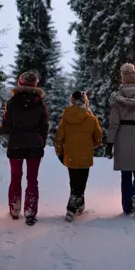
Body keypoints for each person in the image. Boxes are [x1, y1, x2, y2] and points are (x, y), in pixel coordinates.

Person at [0, 71, 49, 226]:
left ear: (20, 83)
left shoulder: (13, 102)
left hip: (16, 145)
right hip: (34, 145)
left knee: (16, 177)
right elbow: (44, 126)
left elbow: (7, 126)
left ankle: (14, 210)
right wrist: (41, 142)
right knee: (32, 179)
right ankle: (30, 212)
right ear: (35, 84)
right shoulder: (39, 102)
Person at [106, 63, 135, 219]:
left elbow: (113, 123)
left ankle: (127, 205)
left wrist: (109, 143)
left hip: (123, 136)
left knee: (126, 173)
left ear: (123, 78)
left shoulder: (116, 98)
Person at [54, 90, 102, 222]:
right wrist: (88, 145)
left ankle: (79, 204)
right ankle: (72, 207)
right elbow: (98, 139)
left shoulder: (66, 117)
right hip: (85, 155)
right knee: (81, 183)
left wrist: (59, 152)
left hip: (70, 155)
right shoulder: (91, 119)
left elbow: (59, 137)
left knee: (74, 181)